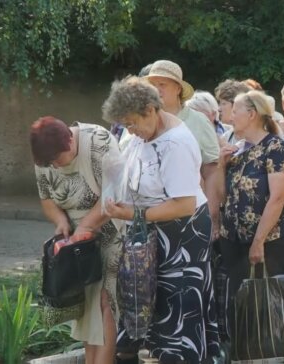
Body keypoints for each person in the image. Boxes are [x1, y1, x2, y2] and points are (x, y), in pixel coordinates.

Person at [102, 77, 219, 363]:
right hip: (156, 232)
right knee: (155, 308)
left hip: (182, 234)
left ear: (151, 110)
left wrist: (132, 214)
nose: (130, 130)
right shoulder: (141, 133)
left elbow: (184, 205)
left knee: (177, 309)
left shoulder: (175, 144)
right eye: (125, 125)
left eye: (132, 123)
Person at [30, 117, 122, 364]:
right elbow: (47, 200)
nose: (56, 166)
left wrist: (85, 225)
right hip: (76, 242)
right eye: (50, 163)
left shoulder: (99, 141)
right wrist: (60, 222)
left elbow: (113, 194)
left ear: (70, 140)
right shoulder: (45, 155)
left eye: (59, 159)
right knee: (84, 308)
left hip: (111, 232)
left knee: (106, 302)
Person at [215, 90, 284, 341]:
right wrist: (221, 164)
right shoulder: (235, 148)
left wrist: (259, 241)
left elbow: (278, 197)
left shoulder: (275, 147)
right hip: (233, 240)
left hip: (265, 241)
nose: (229, 115)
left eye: (235, 110)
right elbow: (221, 195)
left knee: (263, 307)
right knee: (238, 307)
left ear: (251, 114)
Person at [141, 60, 222, 241]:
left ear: (178, 88)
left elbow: (211, 171)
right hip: (148, 218)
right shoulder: (141, 121)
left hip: (190, 215)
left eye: (162, 84)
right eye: (152, 85)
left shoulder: (198, 121)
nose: (157, 90)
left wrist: (211, 214)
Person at [216, 79, 252, 144]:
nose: (219, 109)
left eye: (223, 103)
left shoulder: (259, 138)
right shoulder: (225, 138)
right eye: (220, 103)